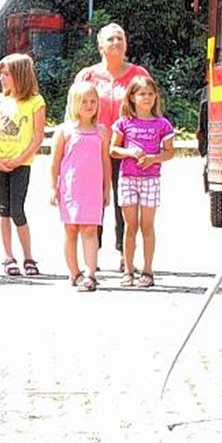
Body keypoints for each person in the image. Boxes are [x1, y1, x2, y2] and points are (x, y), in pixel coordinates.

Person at [75, 23, 150, 267]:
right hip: (92, 149)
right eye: (110, 39)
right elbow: (73, 111)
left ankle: (123, 253)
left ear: (126, 43)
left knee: (124, 203)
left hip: (126, 150)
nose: (116, 42)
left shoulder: (139, 75)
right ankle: (91, 254)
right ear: (100, 46)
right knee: (92, 202)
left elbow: (150, 109)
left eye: (120, 38)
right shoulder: (88, 76)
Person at [109, 75, 175, 288]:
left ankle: (148, 270)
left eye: (150, 94)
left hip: (151, 179)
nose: (146, 98)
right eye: (141, 94)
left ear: (156, 97)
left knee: (147, 226)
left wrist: (153, 158)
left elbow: (170, 152)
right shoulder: (124, 123)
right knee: (131, 226)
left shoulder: (162, 124)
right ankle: (128, 270)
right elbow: (112, 149)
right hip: (128, 178)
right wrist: (129, 152)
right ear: (132, 97)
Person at [0, 52, 46, 277]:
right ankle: (8, 256)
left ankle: (28, 256)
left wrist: (19, 159)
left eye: (6, 73)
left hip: (21, 163)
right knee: (3, 209)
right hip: (0, 162)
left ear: (19, 75)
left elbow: (38, 137)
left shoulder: (35, 102)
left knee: (17, 209)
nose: (1, 77)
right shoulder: (1, 100)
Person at [50, 81, 110, 292]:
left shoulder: (101, 131)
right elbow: (55, 162)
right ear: (74, 103)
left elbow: (105, 161)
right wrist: (52, 187)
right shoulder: (64, 131)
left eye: (93, 101)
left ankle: (90, 273)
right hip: (70, 189)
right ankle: (74, 272)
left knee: (90, 229)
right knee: (71, 230)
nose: (89, 105)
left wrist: (106, 188)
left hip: (92, 189)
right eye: (84, 101)